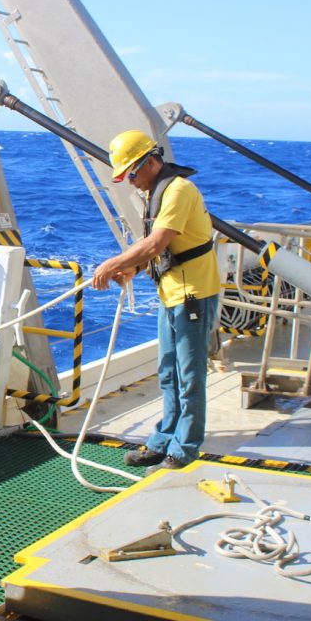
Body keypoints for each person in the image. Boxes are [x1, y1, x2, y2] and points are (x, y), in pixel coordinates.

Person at [91, 129, 220, 476]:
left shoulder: (178, 190)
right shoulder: (156, 192)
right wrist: (131, 268)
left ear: (151, 162)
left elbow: (158, 242)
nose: (129, 182)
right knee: (168, 371)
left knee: (189, 376)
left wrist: (112, 264)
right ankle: (164, 439)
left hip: (193, 294)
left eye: (131, 173)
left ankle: (185, 448)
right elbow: (160, 247)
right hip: (173, 293)